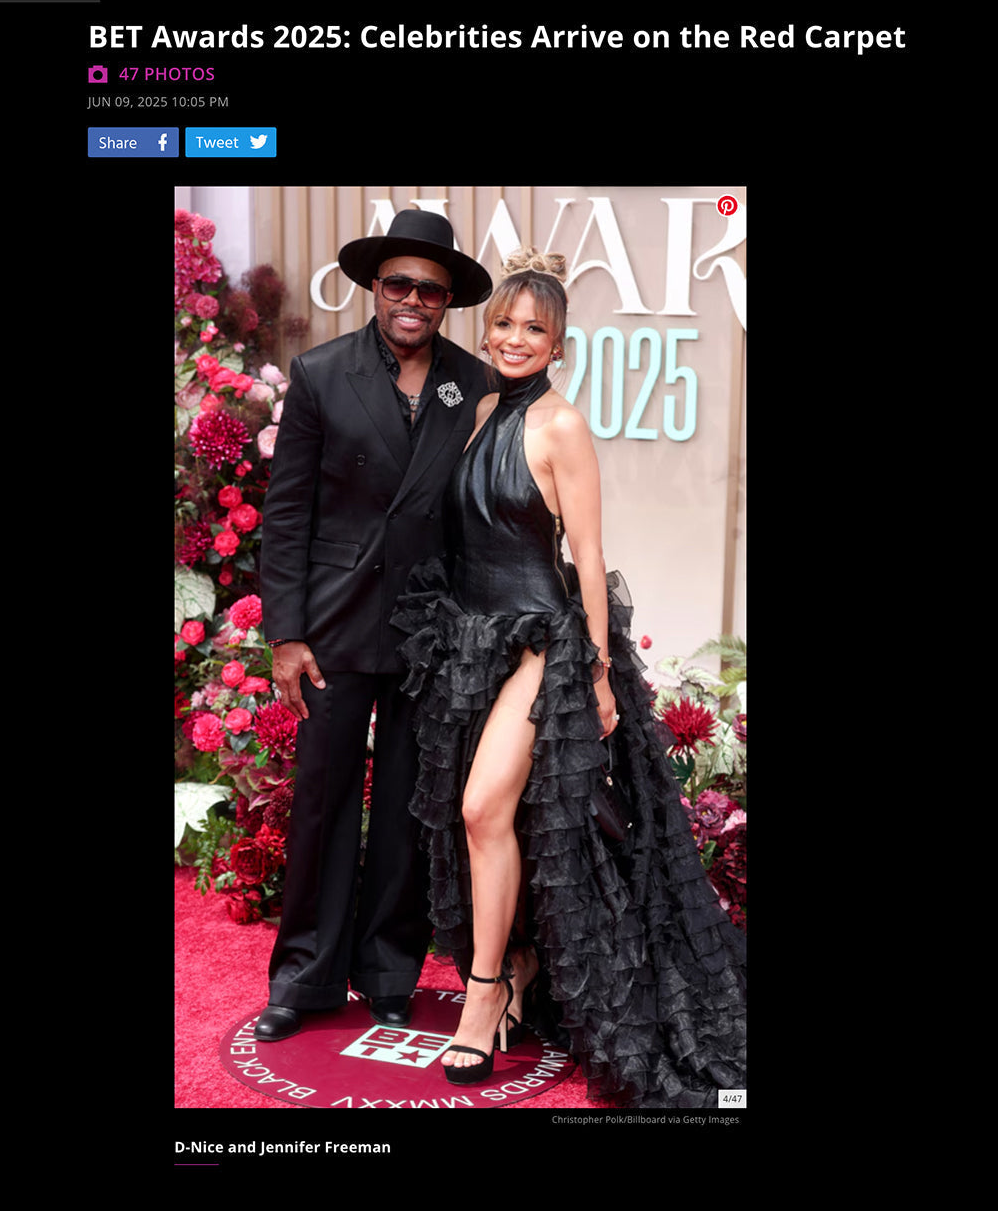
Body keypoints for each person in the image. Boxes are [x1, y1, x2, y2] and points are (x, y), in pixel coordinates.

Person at [393, 247, 746, 1106]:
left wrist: (591, 673)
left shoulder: (562, 425)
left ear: (559, 345)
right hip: (468, 640)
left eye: (535, 329)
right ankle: (514, 960)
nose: (515, 339)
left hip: (541, 645)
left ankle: (483, 999)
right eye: (505, 323)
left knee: (484, 808)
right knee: (477, 818)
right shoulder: (474, 408)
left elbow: (587, 557)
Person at [254, 208, 493, 1042]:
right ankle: (304, 978)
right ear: (373, 287)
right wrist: (286, 632)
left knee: (404, 806)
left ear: (448, 300)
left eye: (430, 289)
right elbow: (286, 517)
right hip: (332, 627)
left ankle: (389, 971)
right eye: (399, 283)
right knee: (321, 803)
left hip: (430, 630)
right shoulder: (321, 374)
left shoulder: (475, 383)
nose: (413, 300)